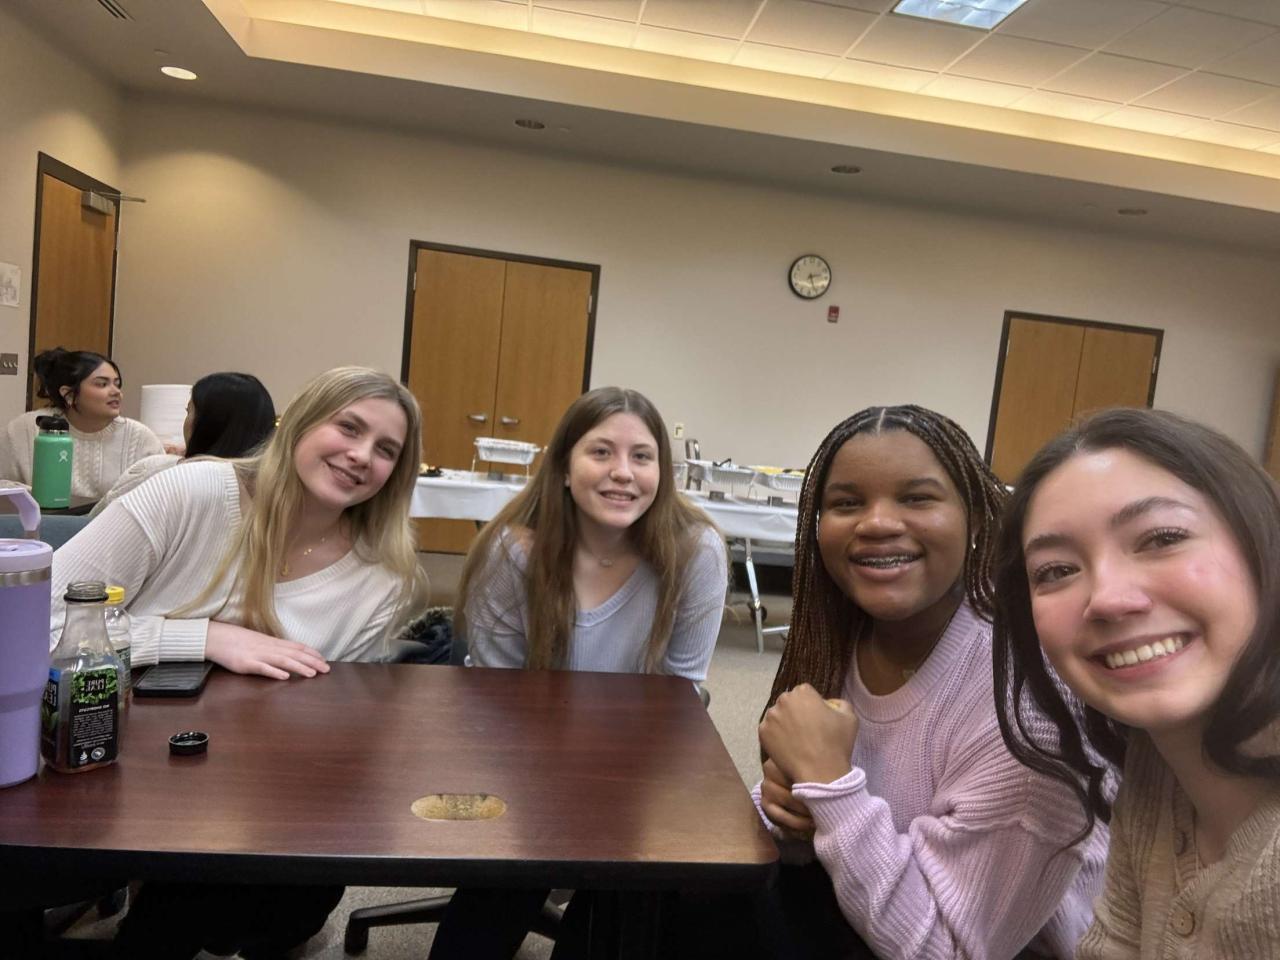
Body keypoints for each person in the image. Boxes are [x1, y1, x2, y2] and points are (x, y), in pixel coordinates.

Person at [47, 366, 428, 960]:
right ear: (298, 424)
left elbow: (340, 713)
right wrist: (201, 637)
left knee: (295, 891)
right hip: (106, 754)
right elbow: (36, 622)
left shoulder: (381, 576)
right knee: (193, 894)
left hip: (260, 779)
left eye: (386, 450)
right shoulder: (192, 492)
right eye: (349, 428)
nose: (361, 456)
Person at [755, 405, 1106, 960]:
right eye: (846, 503)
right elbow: (829, 819)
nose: (877, 523)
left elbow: (950, 949)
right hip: (857, 915)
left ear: (975, 519)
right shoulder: (839, 641)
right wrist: (787, 808)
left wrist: (829, 786)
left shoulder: (1027, 700)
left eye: (917, 498)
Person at [429, 385, 729, 960]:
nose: (623, 472)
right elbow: (495, 698)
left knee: (636, 898)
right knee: (505, 890)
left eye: (642, 457)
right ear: (564, 467)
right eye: (601, 452)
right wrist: (553, 806)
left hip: (635, 767)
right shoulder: (512, 552)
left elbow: (680, 698)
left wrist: (611, 800)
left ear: (662, 473)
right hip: (523, 762)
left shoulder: (696, 551)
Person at [991, 407, 1280, 959]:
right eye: (1056, 570)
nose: (1108, 598)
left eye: (1162, 538)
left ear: (1262, 544)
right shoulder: (1154, 767)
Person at [88, 371, 276, 517]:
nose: (115, 392)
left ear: (207, 425)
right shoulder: (278, 492)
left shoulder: (160, 470)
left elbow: (95, 521)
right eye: (102, 384)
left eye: (189, 411)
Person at [0, 347, 163, 504]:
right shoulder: (26, 428)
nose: (116, 392)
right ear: (69, 395)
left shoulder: (140, 438)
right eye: (102, 384)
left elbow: (160, 498)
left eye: (117, 384)